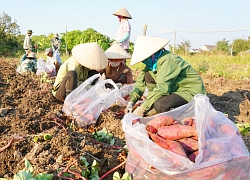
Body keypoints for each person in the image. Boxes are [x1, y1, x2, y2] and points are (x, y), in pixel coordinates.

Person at [125, 36, 206, 117]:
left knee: (161, 105)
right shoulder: (152, 65)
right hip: (174, 90)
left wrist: (142, 108)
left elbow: (162, 88)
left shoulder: (168, 60)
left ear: (153, 54)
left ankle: (184, 112)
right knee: (147, 75)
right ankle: (153, 104)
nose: (145, 61)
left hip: (189, 92)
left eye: (146, 58)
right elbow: (139, 85)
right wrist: (131, 102)